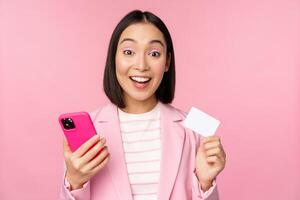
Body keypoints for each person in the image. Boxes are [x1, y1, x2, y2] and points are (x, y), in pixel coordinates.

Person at [59, 10, 226, 200]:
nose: (141, 65)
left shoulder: (195, 127)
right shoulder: (90, 128)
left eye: (154, 53)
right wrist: (74, 180)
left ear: (167, 62)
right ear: (114, 58)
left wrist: (205, 184)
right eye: (129, 52)